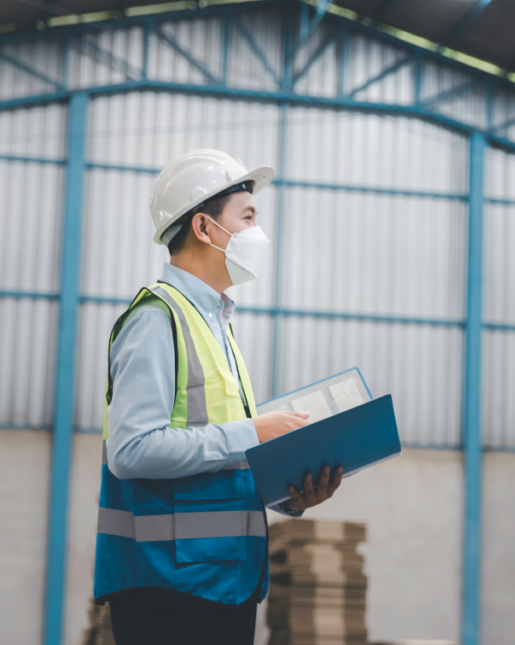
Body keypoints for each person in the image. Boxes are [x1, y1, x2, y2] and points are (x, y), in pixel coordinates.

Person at [94, 150, 343, 645]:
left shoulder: (214, 323)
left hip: (222, 579)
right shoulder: (156, 319)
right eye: (247, 218)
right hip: (170, 587)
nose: (258, 233)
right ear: (205, 228)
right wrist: (255, 432)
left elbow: (220, 460)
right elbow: (131, 450)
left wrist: (289, 492)